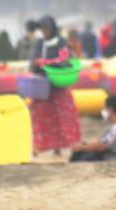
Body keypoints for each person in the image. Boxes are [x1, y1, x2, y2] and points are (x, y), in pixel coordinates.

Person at [28, 16, 81, 156]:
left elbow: (64, 60)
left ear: (52, 29)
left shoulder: (61, 43)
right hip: (43, 87)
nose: (44, 32)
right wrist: (36, 64)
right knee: (40, 116)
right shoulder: (40, 43)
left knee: (63, 117)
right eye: (42, 29)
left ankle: (61, 147)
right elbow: (33, 62)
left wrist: (46, 62)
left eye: (46, 29)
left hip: (58, 86)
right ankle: (38, 147)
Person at [70, 95, 116, 162]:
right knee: (84, 147)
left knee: (81, 152)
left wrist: (82, 148)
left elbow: (102, 146)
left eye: (104, 108)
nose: (103, 111)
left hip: (113, 160)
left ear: (111, 110)